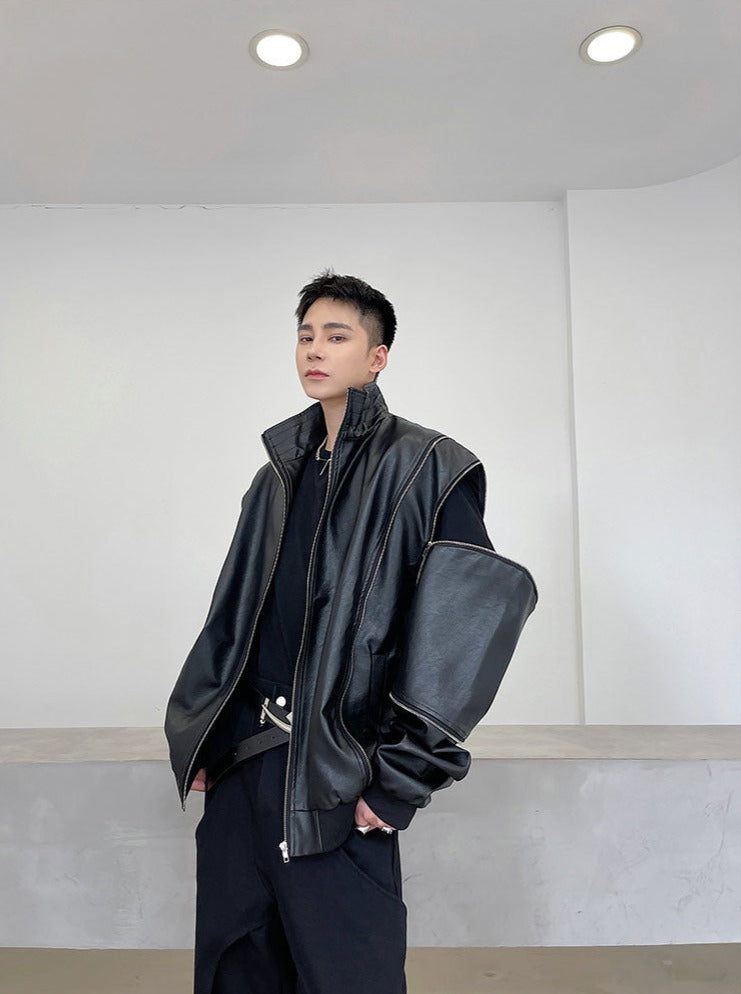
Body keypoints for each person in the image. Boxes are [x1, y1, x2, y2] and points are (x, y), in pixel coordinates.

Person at [164, 269, 537, 994]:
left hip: (337, 779)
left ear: (376, 357)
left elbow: (466, 635)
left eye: (337, 336)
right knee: (237, 970)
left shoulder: (429, 467)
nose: (315, 349)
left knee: (348, 976)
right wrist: (206, 730)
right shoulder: (275, 477)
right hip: (244, 771)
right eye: (305, 335)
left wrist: (401, 778)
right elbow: (233, 615)